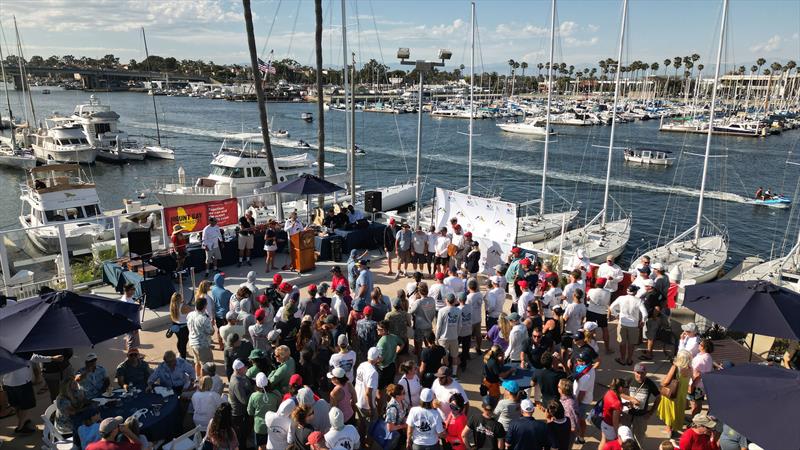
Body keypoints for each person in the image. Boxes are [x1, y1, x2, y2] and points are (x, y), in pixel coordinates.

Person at [609, 285, 648, 366]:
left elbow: (611, 307)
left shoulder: (621, 298)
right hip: (633, 325)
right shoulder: (639, 301)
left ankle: (622, 359)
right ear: (635, 292)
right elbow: (645, 314)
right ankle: (629, 360)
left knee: (622, 343)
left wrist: (616, 315)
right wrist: (643, 321)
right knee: (631, 344)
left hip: (622, 323)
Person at [657, 350, 692, 437]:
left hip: (672, 395)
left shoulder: (675, 367)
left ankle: (668, 430)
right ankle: (673, 428)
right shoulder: (689, 369)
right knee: (676, 412)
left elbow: (666, 382)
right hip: (681, 395)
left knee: (669, 412)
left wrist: (661, 384)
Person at [624, 363, 661, 442]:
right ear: (634, 372)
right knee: (626, 437)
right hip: (627, 414)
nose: (640, 375)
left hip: (641, 417)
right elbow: (618, 392)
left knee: (639, 438)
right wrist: (630, 399)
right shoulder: (629, 380)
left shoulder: (649, 383)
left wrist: (650, 412)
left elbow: (658, 397)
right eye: (638, 372)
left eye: (642, 373)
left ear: (646, 373)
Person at [572, 349, 596, 445]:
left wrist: (575, 406)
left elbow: (582, 394)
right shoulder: (586, 368)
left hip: (582, 401)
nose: (577, 362)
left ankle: (581, 437)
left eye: (580, 360)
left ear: (585, 362)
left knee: (581, 420)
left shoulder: (587, 376)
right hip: (579, 397)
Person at [187, 297, 214, 377]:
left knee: (197, 363)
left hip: (192, 343)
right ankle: (203, 381)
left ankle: (197, 378)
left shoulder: (190, 314)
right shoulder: (204, 319)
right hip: (202, 346)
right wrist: (211, 325)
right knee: (205, 365)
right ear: (204, 306)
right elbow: (211, 332)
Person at [689, 339, 715, 417]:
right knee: (698, 403)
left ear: (703, 347)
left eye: (700, 344)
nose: (699, 345)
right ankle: (696, 419)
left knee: (694, 404)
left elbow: (697, 374)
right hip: (702, 385)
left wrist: (692, 385)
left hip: (696, 385)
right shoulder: (707, 356)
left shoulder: (701, 359)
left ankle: (694, 421)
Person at [410, 282, 436, 357]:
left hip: (420, 327)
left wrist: (414, 300)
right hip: (429, 325)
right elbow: (433, 313)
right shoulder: (432, 300)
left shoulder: (418, 302)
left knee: (419, 347)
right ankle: (430, 359)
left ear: (419, 291)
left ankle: (420, 362)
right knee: (429, 344)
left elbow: (411, 311)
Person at [599, 378, 626, 448]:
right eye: (625, 387)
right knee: (609, 446)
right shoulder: (617, 403)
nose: (625, 389)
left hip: (604, 423)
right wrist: (618, 434)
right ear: (620, 388)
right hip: (610, 427)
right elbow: (615, 422)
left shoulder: (609, 392)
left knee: (603, 441)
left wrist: (624, 404)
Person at [211, 274, 233, 350]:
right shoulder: (225, 292)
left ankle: (221, 345)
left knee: (219, 330)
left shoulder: (213, 289)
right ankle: (229, 345)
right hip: (225, 314)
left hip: (217, 314)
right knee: (228, 330)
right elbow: (233, 297)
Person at [384, 383, 409, 449]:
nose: (405, 393)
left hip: (400, 431)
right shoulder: (392, 409)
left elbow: (404, 413)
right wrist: (405, 425)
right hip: (394, 435)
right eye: (403, 393)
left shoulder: (402, 401)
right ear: (397, 396)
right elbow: (390, 428)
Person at [168, 293, 191, 359]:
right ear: (179, 299)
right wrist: (185, 304)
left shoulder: (172, 306)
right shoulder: (183, 306)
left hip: (175, 325)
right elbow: (192, 311)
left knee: (180, 340)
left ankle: (180, 353)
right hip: (184, 327)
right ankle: (183, 358)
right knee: (183, 343)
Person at [120, 283, 141, 351]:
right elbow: (128, 316)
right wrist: (134, 327)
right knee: (131, 342)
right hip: (131, 324)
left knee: (131, 340)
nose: (134, 291)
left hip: (133, 323)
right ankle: (132, 356)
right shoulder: (125, 301)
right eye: (133, 289)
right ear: (127, 290)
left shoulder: (128, 297)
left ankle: (134, 354)